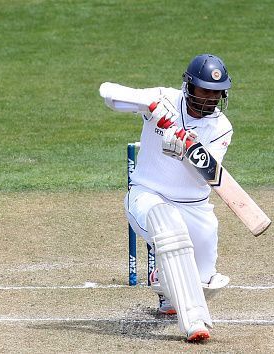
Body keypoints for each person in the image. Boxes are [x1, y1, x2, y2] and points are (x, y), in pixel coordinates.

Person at [99, 54, 233, 342]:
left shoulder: (222, 127)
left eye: (216, 93)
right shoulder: (165, 98)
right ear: (189, 87)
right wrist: (148, 105)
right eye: (204, 90)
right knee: (168, 226)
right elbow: (107, 92)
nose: (210, 98)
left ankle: (164, 284)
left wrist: (186, 150)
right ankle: (195, 322)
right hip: (148, 196)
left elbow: (204, 176)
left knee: (206, 283)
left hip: (196, 207)